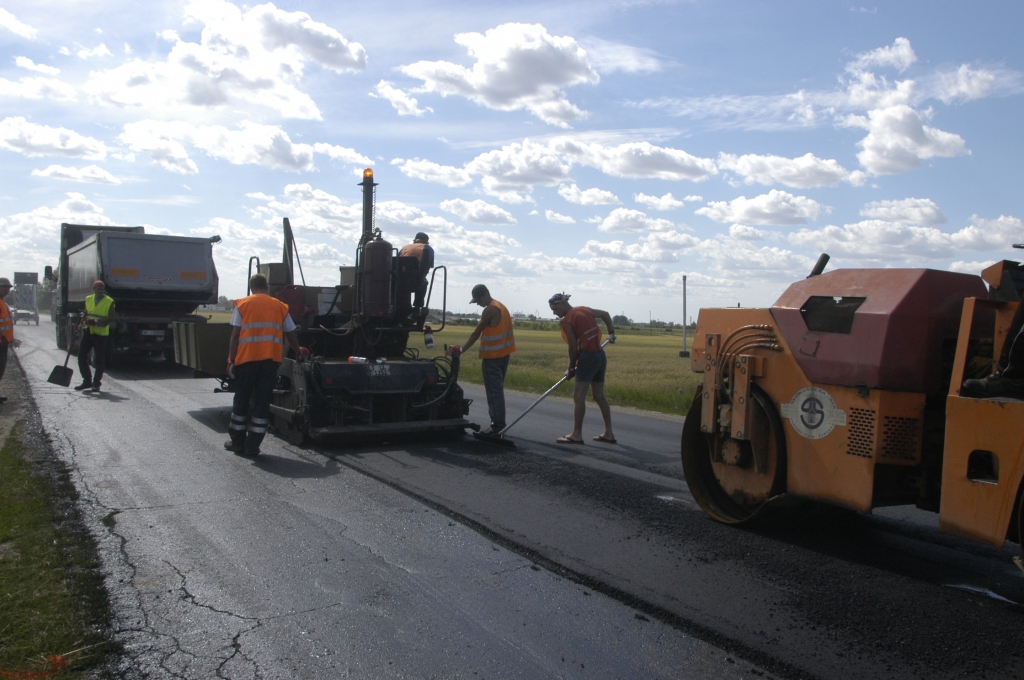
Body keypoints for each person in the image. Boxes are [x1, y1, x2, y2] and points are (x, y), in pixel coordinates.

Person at [226, 273, 303, 457]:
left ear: (252, 288)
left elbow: (235, 335)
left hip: (246, 362)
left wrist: (231, 359)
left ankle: (237, 443)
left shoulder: (242, 305)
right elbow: (290, 334)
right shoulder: (279, 306)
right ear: (266, 288)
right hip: (269, 363)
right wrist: (299, 353)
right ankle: (253, 446)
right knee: (262, 404)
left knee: (241, 401)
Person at [548, 292, 616, 444]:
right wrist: (611, 332)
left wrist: (571, 368)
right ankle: (608, 433)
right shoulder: (584, 310)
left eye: (555, 308)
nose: (554, 312)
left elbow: (573, 348)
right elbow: (605, 314)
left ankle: (576, 434)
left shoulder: (567, 320)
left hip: (587, 358)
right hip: (599, 355)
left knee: (578, 397)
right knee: (599, 396)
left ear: (562, 303)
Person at [450, 284, 516, 436]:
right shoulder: (502, 307)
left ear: (485, 294)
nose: (478, 304)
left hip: (492, 357)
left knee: (494, 393)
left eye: (478, 300)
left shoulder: (490, 309)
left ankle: (497, 426)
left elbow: (476, 332)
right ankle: (499, 424)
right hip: (504, 355)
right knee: (497, 391)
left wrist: (461, 350)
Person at [75, 280, 115, 393]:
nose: (100, 291)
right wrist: (81, 322)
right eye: (98, 289)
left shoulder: (109, 301)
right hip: (88, 331)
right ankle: (87, 380)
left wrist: (96, 321)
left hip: (101, 333)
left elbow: (112, 317)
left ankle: (96, 384)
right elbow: (86, 313)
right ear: (94, 289)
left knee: (99, 359)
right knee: (81, 356)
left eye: (102, 289)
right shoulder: (89, 299)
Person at [0, 277, 22, 404]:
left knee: (1, 368)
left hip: (4, 342)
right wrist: (2, 336)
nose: (7, 290)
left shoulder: (3, 303)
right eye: (4, 288)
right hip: (1, 341)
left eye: (8, 288)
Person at [399, 232, 434, 308]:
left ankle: (401, 304)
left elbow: (397, 261)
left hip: (399, 279)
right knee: (424, 283)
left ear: (415, 240)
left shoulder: (404, 248)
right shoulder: (428, 248)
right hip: (416, 279)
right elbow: (427, 267)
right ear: (426, 241)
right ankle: (417, 307)